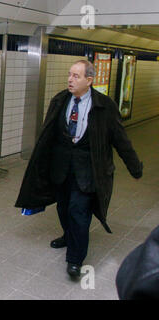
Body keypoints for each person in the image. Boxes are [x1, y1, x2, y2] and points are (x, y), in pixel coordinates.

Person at [15, 60, 143, 278]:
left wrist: (134, 167)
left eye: (76, 76)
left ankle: (75, 259)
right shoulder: (60, 100)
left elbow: (120, 139)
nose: (70, 79)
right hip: (61, 168)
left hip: (89, 170)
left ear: (89, 80)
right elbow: (48, 135)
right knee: (64, 208)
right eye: (69, 74)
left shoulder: (104, 106)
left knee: (78, 211)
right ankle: (68, 235)